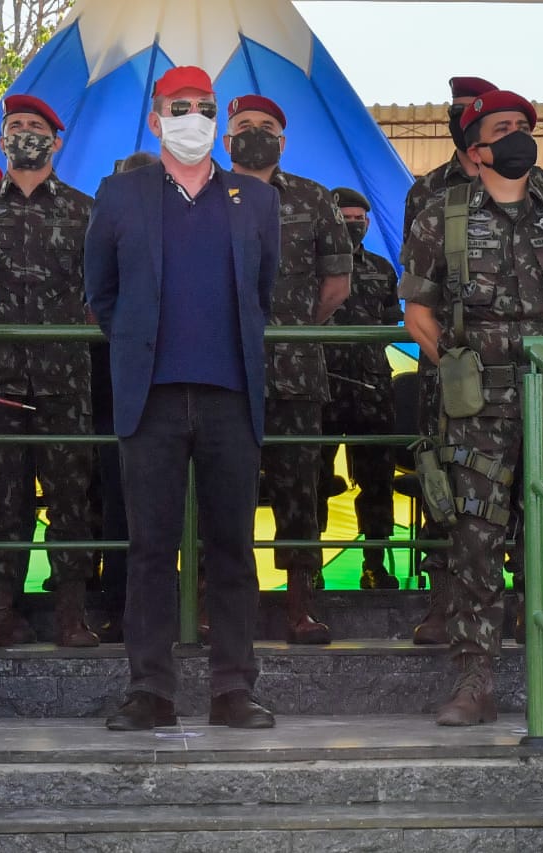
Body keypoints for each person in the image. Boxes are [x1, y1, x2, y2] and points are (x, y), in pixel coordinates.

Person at [401, 89, 543, 726]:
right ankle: (474, 681)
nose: (517, 135)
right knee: (475, 543)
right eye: (502, 127)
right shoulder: (441, 217)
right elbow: (418, 312)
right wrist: (457, 373)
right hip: (475, 413)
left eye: (523, 125)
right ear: (475, 147)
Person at [86, 65, 279, 730]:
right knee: (149, 548)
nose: (192, 117)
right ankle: (151, 689)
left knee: (233, 546)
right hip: (152, 398)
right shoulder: (118, 194)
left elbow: (263, 291)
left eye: (203, 107)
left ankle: (233, 687)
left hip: (231, 397)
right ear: (156, 118)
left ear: (217, 118)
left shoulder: (254, 200)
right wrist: (143, 340)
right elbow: (101, 293)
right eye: (179, 106)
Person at [0, 94, 98, 649]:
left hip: (64, 379)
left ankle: (71, 613)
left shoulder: (85, 210)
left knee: (69, 497)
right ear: (2, 139)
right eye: (14, 127)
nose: (24, 135)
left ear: (56, 141)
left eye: (36, 127)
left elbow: (102, 292)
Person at [224, 93, 352, 642]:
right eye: (244, 126)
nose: (256, 133)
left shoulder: (312, 197)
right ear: (226, 140)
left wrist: (288, 329)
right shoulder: (202, 193)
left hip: (295, 373)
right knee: (220, 492)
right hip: (221, 369)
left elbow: (336, 284)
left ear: (283, 138)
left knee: (300, 490)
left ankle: (300, 606)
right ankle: (221, 606)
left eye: (267, 126)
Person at [401, 75, 497, 645]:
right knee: (442, 482)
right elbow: (417, 287)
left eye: (472, 111)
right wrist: (450, 365)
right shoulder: (427, 190)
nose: (462, 119)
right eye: (455, 111)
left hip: (511, 377)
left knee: (508, 491)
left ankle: (516, 601)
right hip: (446, 371)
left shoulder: (533, 188)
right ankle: (441, 602)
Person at [317, 186, 403, 590]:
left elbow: (392, 321)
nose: (354, 227)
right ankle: (307, 568)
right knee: (313, 481)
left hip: (372, 389)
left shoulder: (383, 269)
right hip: (323, 387)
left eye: (360, 221)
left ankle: (375, 565)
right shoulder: (311, 265)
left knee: (377, 484)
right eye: (346, 220)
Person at [93, 150, 158, 642]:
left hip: (170, 383)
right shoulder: (99, 227)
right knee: (116, 498)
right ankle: (118, 605)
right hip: (109, 381)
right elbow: (98, 295)